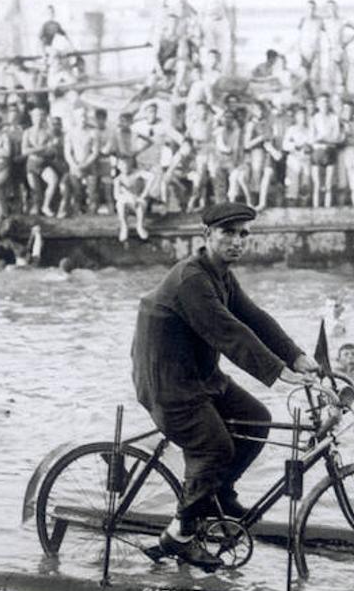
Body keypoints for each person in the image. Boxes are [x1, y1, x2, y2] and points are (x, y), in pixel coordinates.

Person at [131, 202, 320, 569]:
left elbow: (253, 318)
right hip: (168, 382)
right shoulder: (192, 280)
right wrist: (278, 371)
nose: (237, 241)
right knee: (214, 447)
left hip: (199, 375)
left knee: (256, 420)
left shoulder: (220, 274)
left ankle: (216, 496)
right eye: (228, 233)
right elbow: (228, 333)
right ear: (207, 236)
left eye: (243, 234)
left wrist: (296, 356)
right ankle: (180, 534)